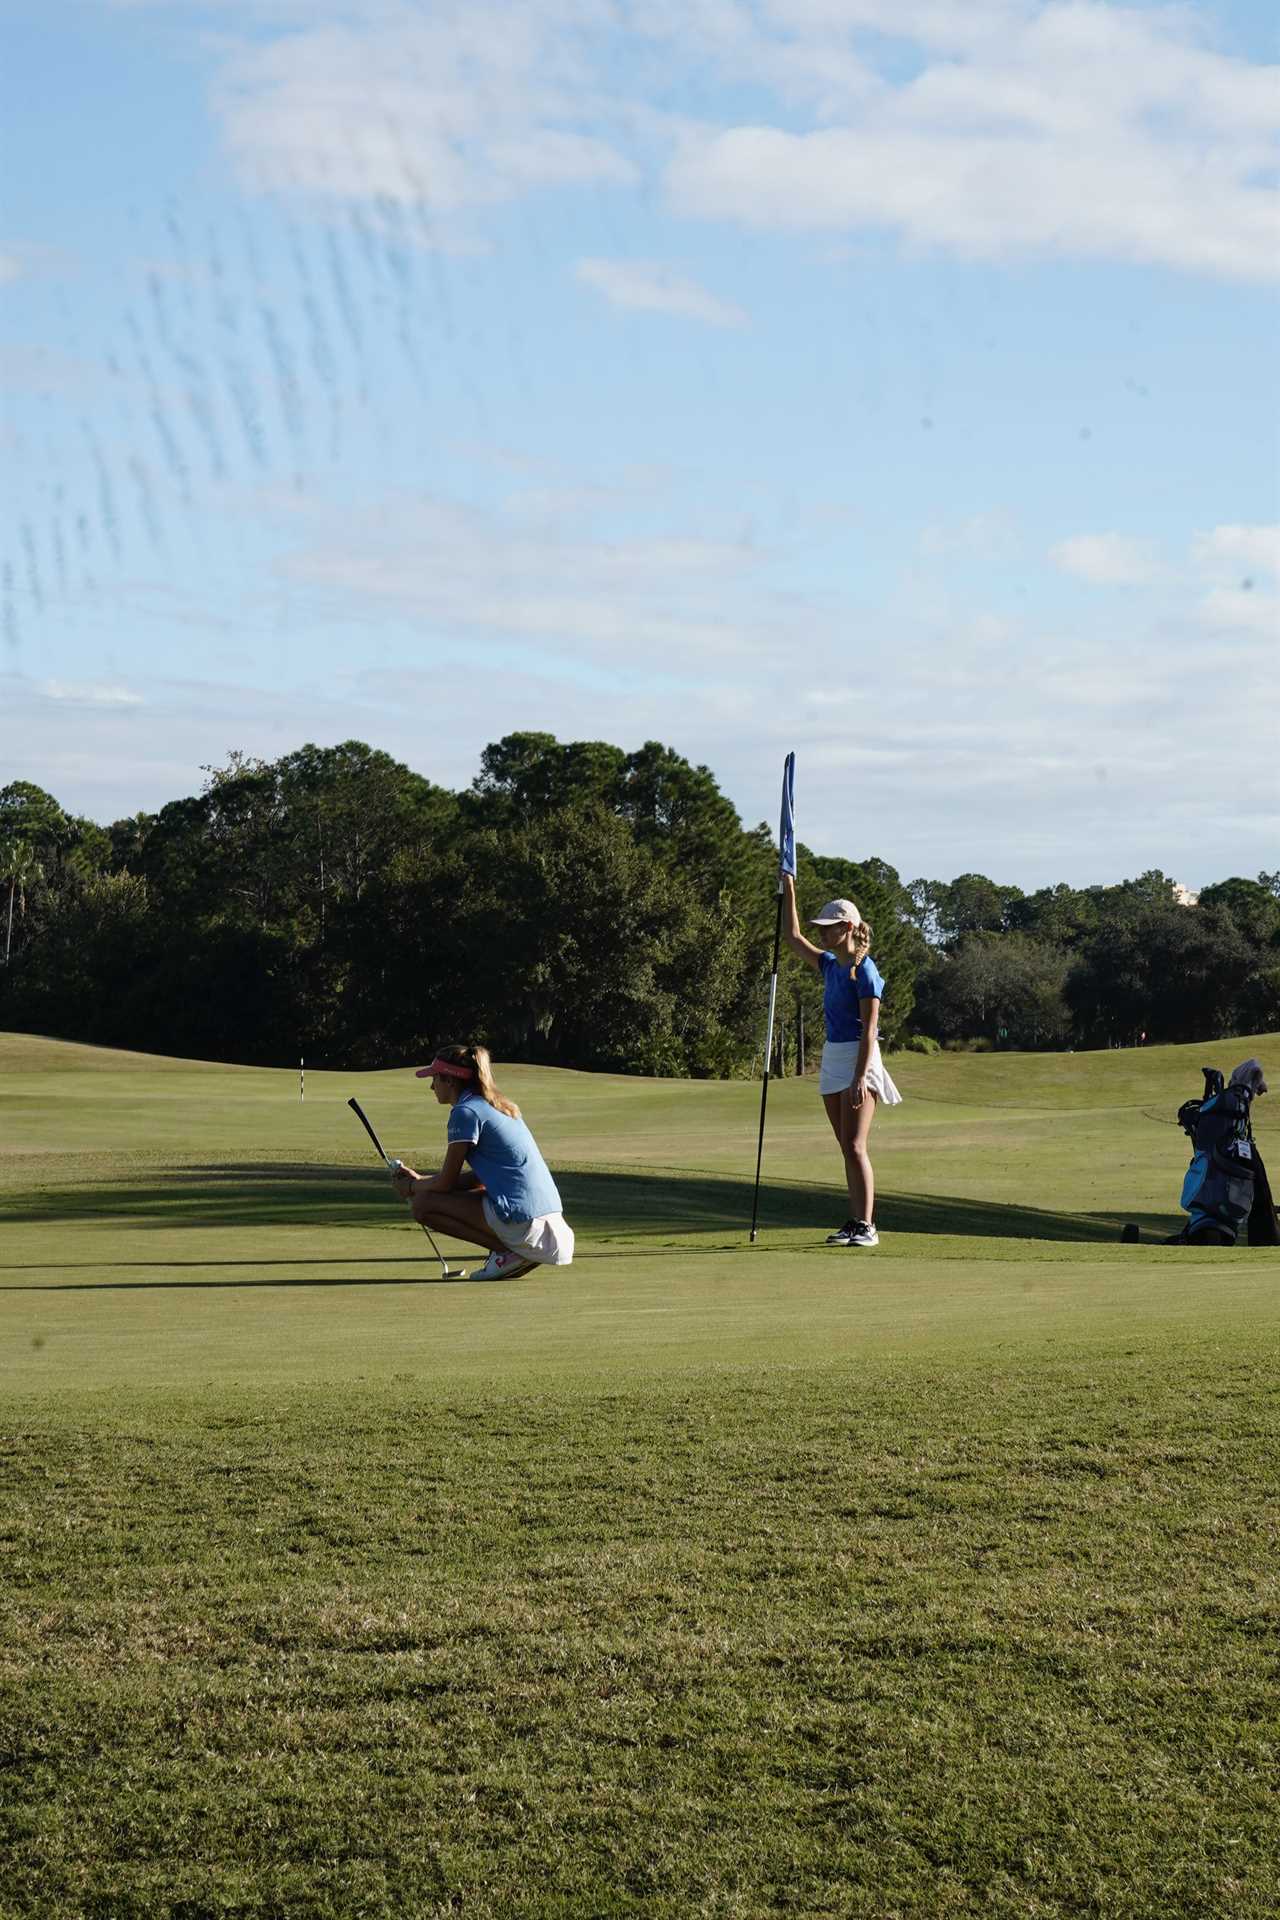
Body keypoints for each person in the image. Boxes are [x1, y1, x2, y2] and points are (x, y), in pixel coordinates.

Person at [781, 872, 901, 1247]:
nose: (822, 934)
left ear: (848, 927)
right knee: (844, 1145)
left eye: (829, 928)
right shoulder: (830, 964)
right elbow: (793, 938)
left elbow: (869, 1030)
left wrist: (859, 1078)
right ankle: (854, 1221)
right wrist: (789, 890)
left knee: (855, 1145)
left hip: (858, 1057)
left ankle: (868, 1227)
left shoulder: (865, 971)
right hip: (833, 1057)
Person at [390, 1042, 575, 1280]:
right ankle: (511, 1251)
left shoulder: (465, 1112)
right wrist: (422, 1180)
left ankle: (507, 1253)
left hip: (524, 1223)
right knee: (436, 1193)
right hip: (548, 1220)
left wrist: (412, 1188)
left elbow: (445, 1183)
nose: (431, 1086)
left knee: (422, 1204)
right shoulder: (497, 1104)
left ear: (450, 1080)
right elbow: (479, 1178)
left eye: (435, 1078)